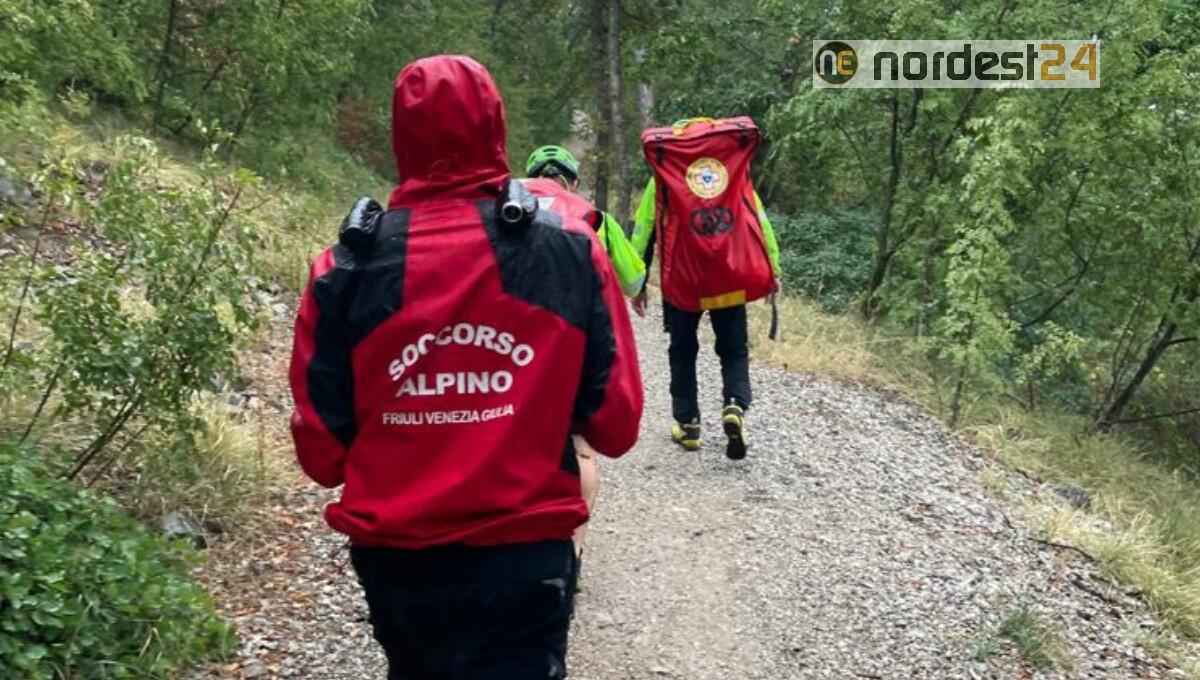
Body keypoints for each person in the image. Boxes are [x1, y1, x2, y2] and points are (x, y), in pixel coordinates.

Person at [288, 55, 643, 680]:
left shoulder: (341, 272)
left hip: (397, 566)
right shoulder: (569, 252)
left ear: (399, 136)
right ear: (497, 126)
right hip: (525, 560)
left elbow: (321, 458)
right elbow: (615, 425)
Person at [631, 121, 781, 460]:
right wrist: (774, 270)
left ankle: (688, 425)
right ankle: (734, 405)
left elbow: (644, 229)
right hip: (728, 276)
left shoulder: (665, 174)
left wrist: (638, 283)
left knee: (682, 350)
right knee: (733, 349)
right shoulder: (732, 171)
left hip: (682, 281)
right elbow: (759, 222)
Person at [523, 144, 645, 556]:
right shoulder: (595, 219)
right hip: (575, 342)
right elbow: (633, 280)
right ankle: (570, 552)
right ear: (571, 182)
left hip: (509, 340)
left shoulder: (502, 209)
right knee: (580, 447)